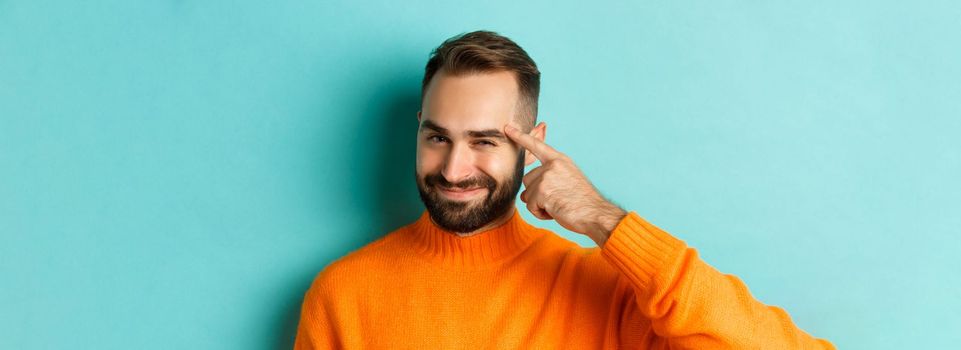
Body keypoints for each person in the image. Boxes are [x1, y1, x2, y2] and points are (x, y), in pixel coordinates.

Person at [293, 30, 835, 349]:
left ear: (533, 142)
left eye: (484, 141)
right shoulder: (344, 296)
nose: (454, 169)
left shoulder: (607, 293)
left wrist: (608, 223)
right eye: (438, 137)